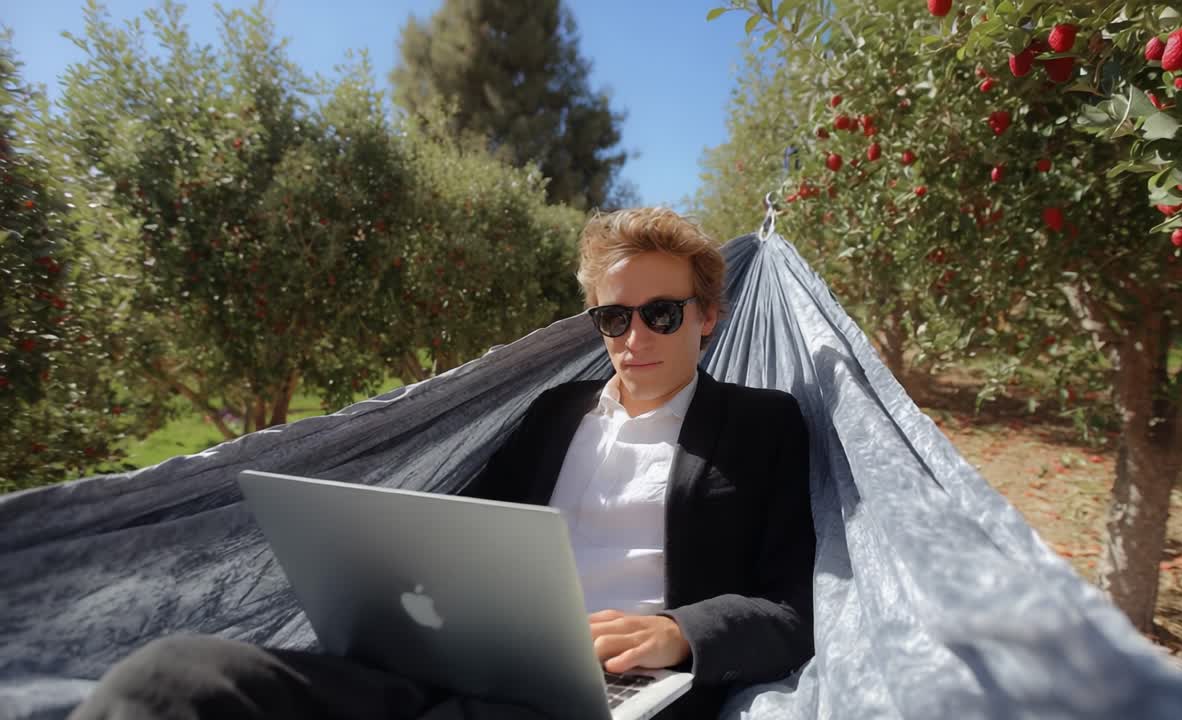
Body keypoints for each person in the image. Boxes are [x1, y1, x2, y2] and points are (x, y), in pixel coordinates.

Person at [70, 207, 816, 720]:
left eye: (661, 313)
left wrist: (678, 632)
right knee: (171, 677)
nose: (634, 337)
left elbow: (791, 611)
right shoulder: (554, 413)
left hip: (605, 696)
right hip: (457, 666)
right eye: (613, 318)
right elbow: (461, 535)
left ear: (708, 316)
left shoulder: (762, 424)